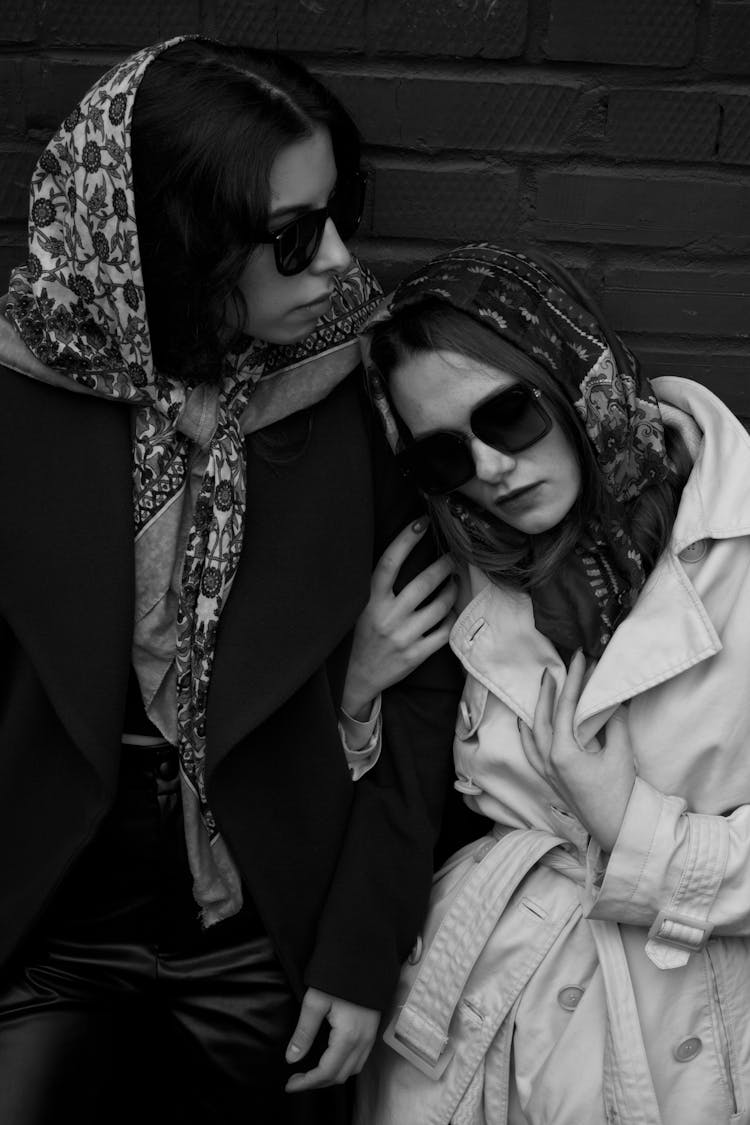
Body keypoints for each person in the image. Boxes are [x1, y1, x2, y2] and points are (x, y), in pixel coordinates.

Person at [0, 36, 463, 1125]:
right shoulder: (22, 395)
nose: (345, 261)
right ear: (177, 243)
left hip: (266, 928)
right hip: (43, 916)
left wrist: (359, 950)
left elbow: (427, 691)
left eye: (337, 212)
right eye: (294, 238)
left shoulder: (357, 390)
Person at [352, 242, 750, 1125]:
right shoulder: (453, 569)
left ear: (573, 377)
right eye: (444, 456)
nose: (489, 469)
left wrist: (632, 827)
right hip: (479, 1025)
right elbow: (384, 812)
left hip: (695, 1038)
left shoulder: (738, 543)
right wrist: (355, 696)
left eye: (509, 415)